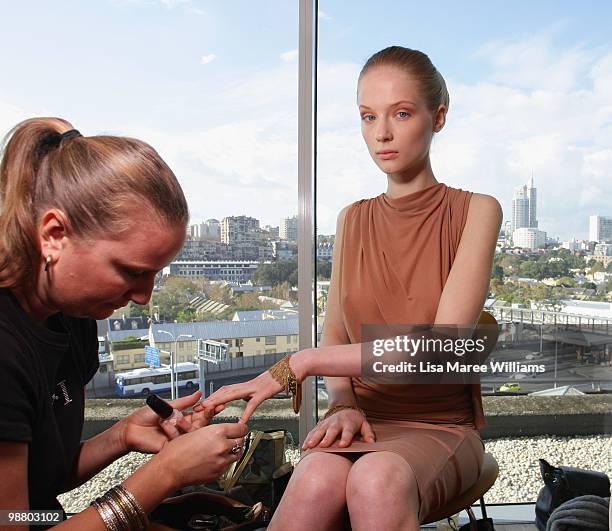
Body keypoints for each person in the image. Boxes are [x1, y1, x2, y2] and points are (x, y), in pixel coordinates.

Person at [198, 46, 503, 531]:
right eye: (367, 116)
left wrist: (304, 363)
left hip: (441, 426)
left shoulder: (477, 211)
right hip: (362, 417)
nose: (381, 133)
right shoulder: (353, 218)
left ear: (437, 117)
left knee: (376, 479)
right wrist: (343, 403)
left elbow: (442, 346)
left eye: (401, 114)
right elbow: (335, 329)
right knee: (316, 476)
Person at [0, 117, 248, 530]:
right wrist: (165, 474)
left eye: (155, 274)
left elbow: (35, 488)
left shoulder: (70, 320)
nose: (144, 296)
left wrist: (123, 435)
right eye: (132, 271)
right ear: (54, 235)